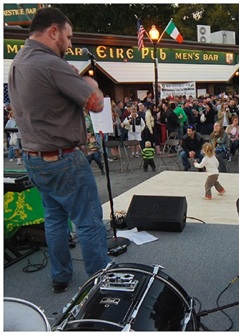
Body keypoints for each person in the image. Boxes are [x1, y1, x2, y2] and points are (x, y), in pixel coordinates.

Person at [8, 7, 111, 293]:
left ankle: (60, 276)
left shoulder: (17, 62)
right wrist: (90, 82)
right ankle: (98, 282)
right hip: (63, 159)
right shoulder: (51, 64)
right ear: (53, 31)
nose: (69, 43)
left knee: (54, 220)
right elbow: (96, 102)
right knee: (88, 221)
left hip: (33, 158)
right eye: (67, 37)